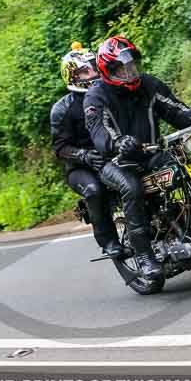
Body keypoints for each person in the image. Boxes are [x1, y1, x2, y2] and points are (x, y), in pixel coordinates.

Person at [84, 36, 191, 280]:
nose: (129, 71)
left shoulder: (149, 85)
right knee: (132, 188)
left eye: (132, 65)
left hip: (151, 152)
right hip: (116, 162)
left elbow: (175, 109)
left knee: (186, 166)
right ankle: (144, 256)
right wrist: (118, 143)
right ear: (108, 70)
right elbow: (98, 131)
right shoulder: (96, 95)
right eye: (122, 68)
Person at [50, 42, 121, 256]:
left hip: (115, 154)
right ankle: (108, 241)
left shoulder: (112, 93)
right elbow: (60, 148)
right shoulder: (62, 109)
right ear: (71, 76)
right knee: (94, 190)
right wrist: (84, 155)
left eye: (94, 67)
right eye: (85, 71)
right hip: (81, 167)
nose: (93, 74)